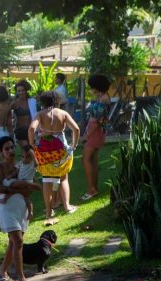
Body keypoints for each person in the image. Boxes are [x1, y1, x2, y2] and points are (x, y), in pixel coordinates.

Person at [28, 91, 80, 225]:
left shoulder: (40, 114)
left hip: (45, 150)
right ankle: (67, 206)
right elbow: (76, 129)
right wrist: (74, 145)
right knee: (63, 177)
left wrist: (32, 143)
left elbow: (31, 129)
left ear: (42, 102)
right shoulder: (63, 113)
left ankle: (48, 211)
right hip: (61, 149)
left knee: (47, 180)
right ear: (57, 101)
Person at [0, 136, 37, 281]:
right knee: (18, 240)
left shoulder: (21, 166)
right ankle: (21, 277)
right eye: (7, 148)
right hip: (5, 207)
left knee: (13, 242)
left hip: (21, 205)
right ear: (1, 152)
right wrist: (18, 187)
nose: (11, 150)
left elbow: (29, 187)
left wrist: (23, 186)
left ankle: (3, 271)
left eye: (12, 147)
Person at [81, 74, 111, 201]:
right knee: (92, 160)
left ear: (97, 86)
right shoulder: (101, 97)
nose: (91, 89)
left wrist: (86, 135)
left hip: (95, 132)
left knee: (85, 159)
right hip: (95, 130)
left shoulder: (103, 99)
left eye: (92, 87)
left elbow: (99, 121)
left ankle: (91, 189)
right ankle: (95, 187)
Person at [11, 80, 34, 149]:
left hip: (31, 130)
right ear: (16, 92)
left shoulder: (32, 101)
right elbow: (7, 114)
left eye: (23, 90)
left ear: (26, 91)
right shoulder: (14, 103)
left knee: (30, 151)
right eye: (18, 91)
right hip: (20, 131)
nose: (21, 92)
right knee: (27, 149)